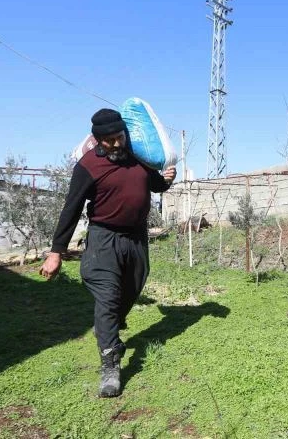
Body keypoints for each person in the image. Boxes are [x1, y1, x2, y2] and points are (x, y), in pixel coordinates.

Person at [39, 108, 176, 397]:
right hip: (104, 238)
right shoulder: (88, 166)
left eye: (119, 137)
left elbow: (155, 185)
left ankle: (108, 325)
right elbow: (71, 208)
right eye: (109, 140)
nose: (116, 144)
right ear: (97, 140)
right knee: (108, 295)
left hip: (136, 238)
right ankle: (110, 365)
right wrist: (56, 252)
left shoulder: (139, 157)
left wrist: (167, 179)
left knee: (133, 286)